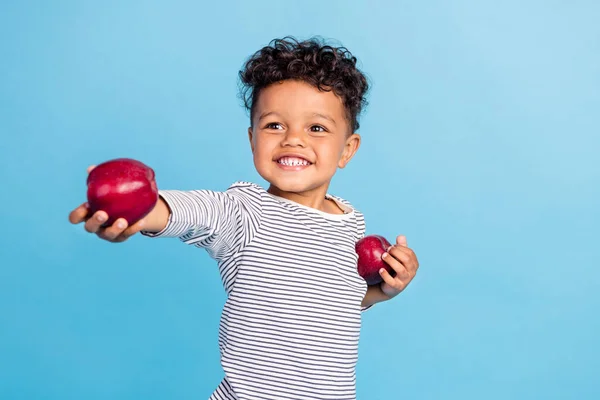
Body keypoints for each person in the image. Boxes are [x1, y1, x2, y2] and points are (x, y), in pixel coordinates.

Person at [69, 37, 419, 400]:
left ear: (347, 149)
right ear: (252, 139)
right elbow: (188, 210)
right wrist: (138, 208)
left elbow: (326, 299)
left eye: (316, 128)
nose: (293, 140)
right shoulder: (242, 213)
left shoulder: (350, 224)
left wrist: (382, 291)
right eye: (274, 126)